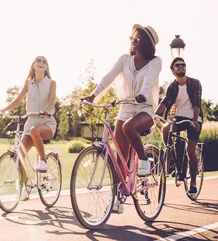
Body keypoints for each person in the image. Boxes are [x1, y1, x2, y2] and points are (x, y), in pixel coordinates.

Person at [83, 24, 162, 180]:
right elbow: (109, 77)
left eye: (137, 39)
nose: (133, 41)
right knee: (121, 156)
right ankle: (119, 198)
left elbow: (149, 79)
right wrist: (93, 95)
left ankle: (144, 159)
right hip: (125, 109)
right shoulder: (125, 59)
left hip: (144, 109)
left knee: (129, 127)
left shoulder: (155, 62)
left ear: (146, 42)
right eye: (131, 38)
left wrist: (143, 94)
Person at [0, 56, 57, 174]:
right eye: (38, 60)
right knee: (19, 156)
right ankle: (25, 186)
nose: (41, 63)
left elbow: (52, 101)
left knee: (34, 131)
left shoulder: (51, 83)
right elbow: (16, 101)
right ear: (33, 65)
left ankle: (43, 161)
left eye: (44, 61)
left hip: (47, 122)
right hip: (31, 122)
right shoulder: (28, 83)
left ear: (46, 67)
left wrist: (47, 110)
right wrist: (3, 110)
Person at [155, 57, 203, 195]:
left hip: (194, 117)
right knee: (165, 129)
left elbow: (197, 104)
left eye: (183, 65)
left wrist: (195, 121)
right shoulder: (173, 86)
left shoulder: (195, 83)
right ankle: (173, 158)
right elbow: (164, 102)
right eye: (178, 65)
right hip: (180, 117)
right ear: (173, 70)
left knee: (190, 150)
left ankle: (193, 183)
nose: (181, 67)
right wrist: (153, 115)